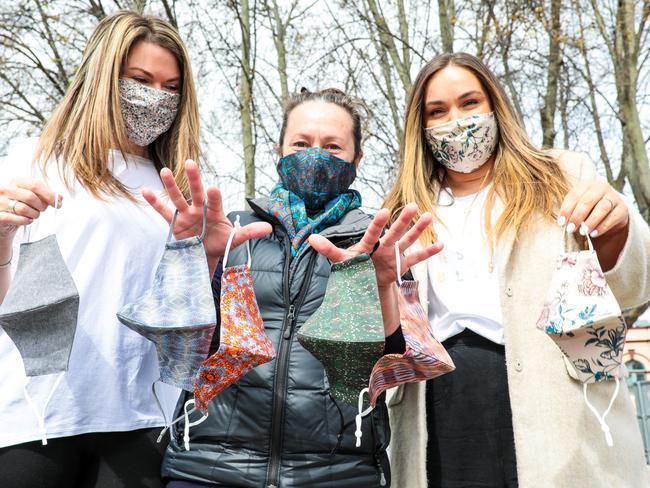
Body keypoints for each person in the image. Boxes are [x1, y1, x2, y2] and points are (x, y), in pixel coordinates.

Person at [0, 11, 268, 488]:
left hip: (141, 420)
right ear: (103, 78)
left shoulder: (182, 191)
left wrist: (208, 261)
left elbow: (191, 328)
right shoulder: (33, 160)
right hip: (35, 417)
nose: (155, 98)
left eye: (170, 87)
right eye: (140, 80)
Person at [150, 88, 441, 488]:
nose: (315, 156)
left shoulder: (380, 247)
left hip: (338, 474)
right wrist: (201, 260)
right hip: (210, 468)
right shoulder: (232, 232)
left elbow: (395, 370)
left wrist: (383, 287)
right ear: (279, 151)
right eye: (301, 143)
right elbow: (179, 349)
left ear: (357, 160)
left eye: (333, 147)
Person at [383, 52, 650, 487]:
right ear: (422, 126)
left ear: (495, 106)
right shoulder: (402, 212)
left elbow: (634, 284)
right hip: (438, 416)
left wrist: (616, 227)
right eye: (438, 111)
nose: (457, 119)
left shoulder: (561, 176)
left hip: (555, 409)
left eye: (470, 102)